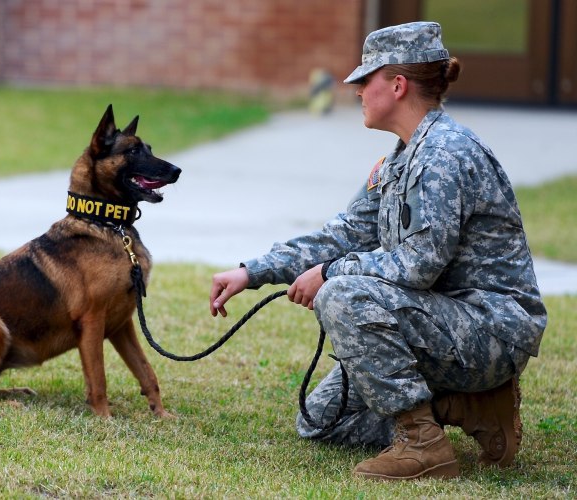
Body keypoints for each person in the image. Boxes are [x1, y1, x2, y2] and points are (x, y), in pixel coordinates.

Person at [208, 21, 546, 481]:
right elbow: (344, 233)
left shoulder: (445, 154)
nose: (357, 91)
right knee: (321, 421)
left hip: (490, 330)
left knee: (342, 295)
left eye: (365, 80)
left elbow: (418, 265)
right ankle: (468, 408)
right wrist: (253, 272)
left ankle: (423, 445)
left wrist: (329, 273)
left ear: (398, 84)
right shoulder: (400, 159)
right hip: (442, 322)